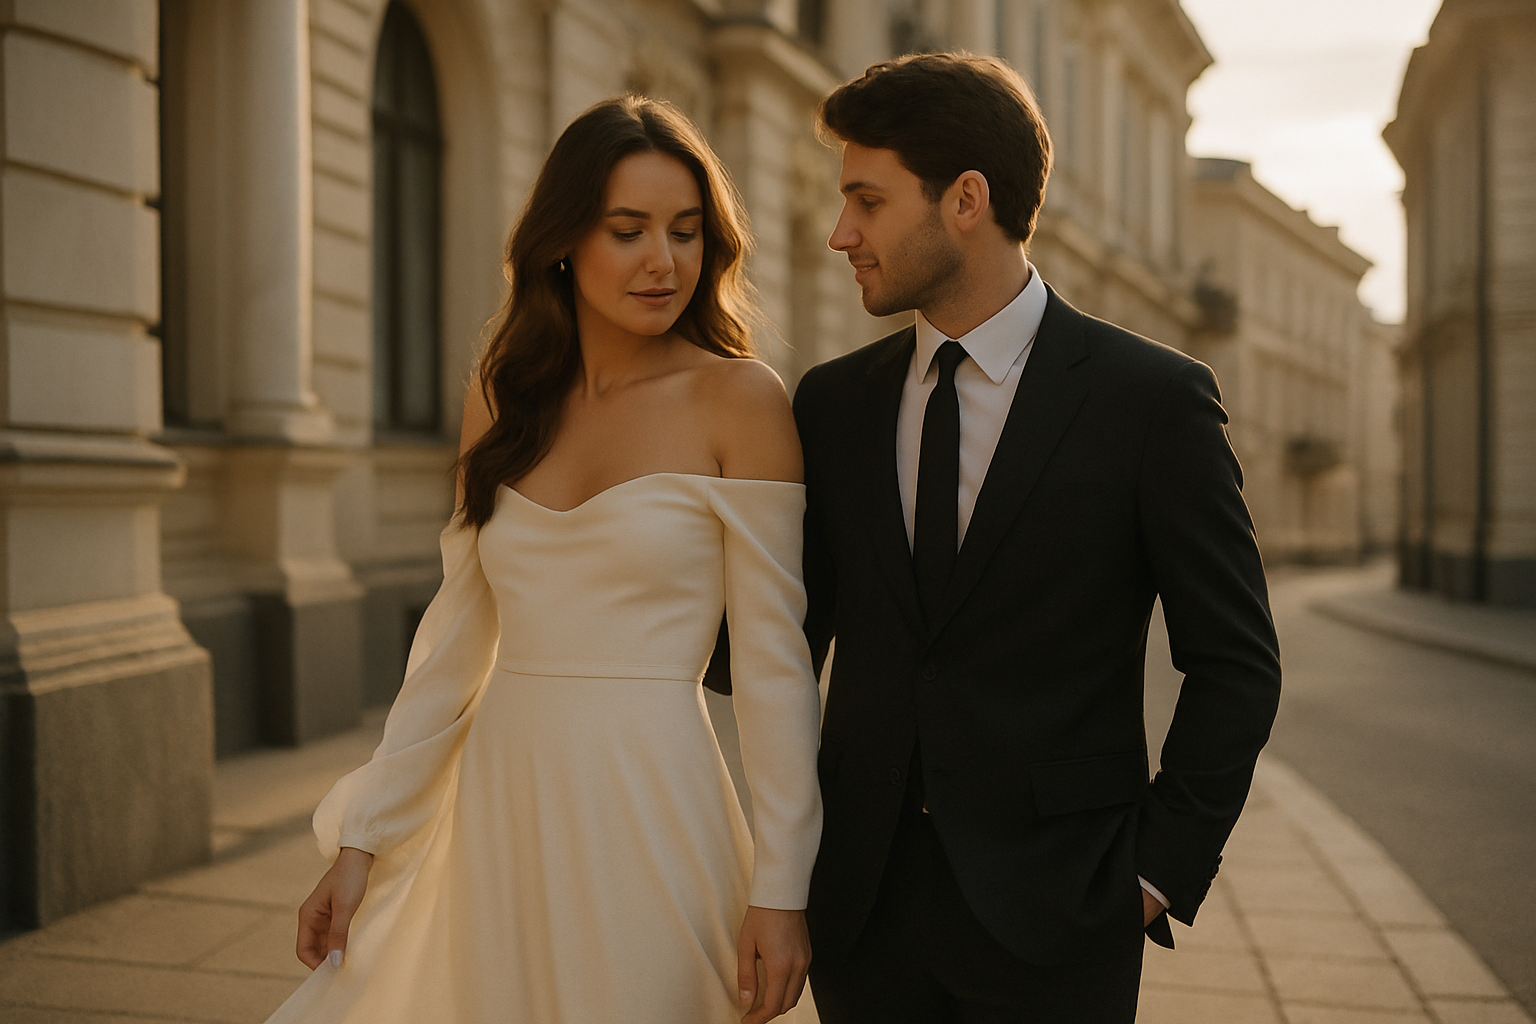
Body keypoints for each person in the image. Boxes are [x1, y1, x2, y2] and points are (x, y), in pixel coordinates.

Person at [266, 96, 823, 1024]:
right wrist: (363, 837)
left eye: (686, 232)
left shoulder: (740, 400)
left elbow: (775, 669)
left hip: (653, 800)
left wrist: (782, 885)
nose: (664, 260)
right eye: (628, 230)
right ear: (563, 241)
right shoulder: (503, 399)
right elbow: (454, 641)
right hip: (500, 804)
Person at [793, 53, 1283, 1023]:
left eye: (868, 200)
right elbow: (773, 646)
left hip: (1064, 918)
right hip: (861, 918)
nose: (840, 232)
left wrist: (1156, 872)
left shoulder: (1152, 402)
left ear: (966, 200)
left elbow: (1236, 663)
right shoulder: (832, 405)